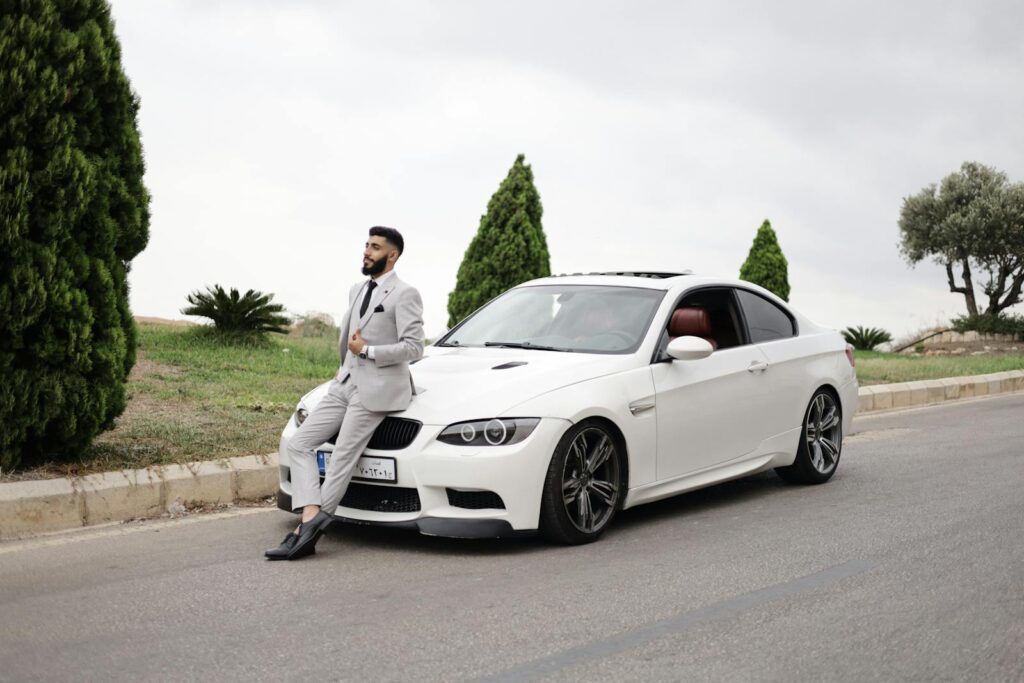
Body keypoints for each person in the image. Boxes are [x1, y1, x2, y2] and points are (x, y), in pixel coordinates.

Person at [265, 226, 424, 560]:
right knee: (300, 442)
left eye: (375, 247)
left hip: (376, 389)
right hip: (344, 383)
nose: (367, 251)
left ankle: (304, 535)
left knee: (341, 459)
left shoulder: (405, 294)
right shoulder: (356, 289)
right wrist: (346, 367)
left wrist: (368, 352)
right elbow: (347, 340)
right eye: (366, 245)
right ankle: (311, 516)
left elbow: (414, 348)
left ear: (392, 255)